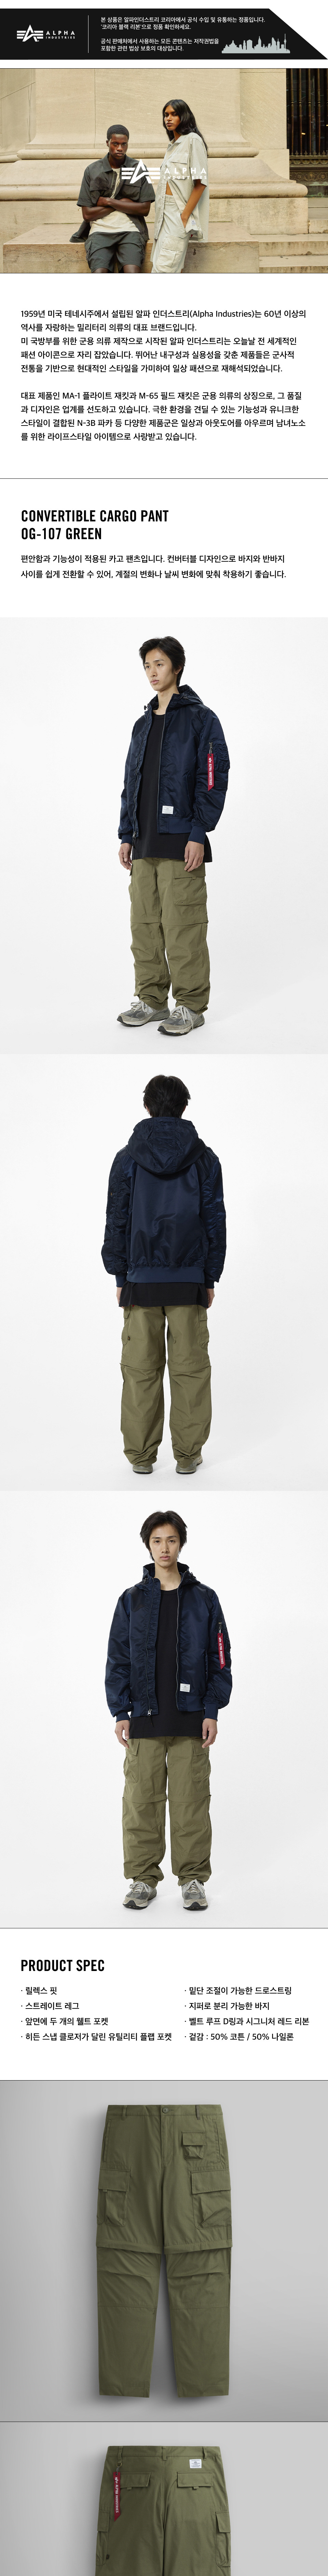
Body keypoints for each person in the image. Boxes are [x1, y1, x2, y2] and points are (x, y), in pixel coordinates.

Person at [106, 1510, 232, 1910]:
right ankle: (143, 1879)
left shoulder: (204, 1598)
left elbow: (220, 1659)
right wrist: (120, 1711)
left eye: (172, 1540)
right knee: (141, 1804)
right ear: (148, 1545)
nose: (165, 1548)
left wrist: (212, 1709)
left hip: (191, 1719)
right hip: (143, 1718)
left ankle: (192, 1879)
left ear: (181, 1544)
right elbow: (118, 1659)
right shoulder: (132, 1600)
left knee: (191, 1803)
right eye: (157, 1540)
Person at [101, 1071, 226, 1474]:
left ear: (147, 1106)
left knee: (141, 1371)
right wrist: (209, 1276)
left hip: (141, 1281)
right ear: (184, 1107)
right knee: (191, 1370)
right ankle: (188, 1456)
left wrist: (121, 1277)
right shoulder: (205, 1159)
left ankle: (141, 1457)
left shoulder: (127, 1158)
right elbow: (214, 1221)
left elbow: (117, 1219)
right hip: (189, 1280)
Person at [118, 635, 230, 1036]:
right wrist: (126, 833)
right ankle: (151, 1000)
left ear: (177, 667)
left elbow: (212, 778)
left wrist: (199, 831)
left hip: (182, 840)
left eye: (160, 664)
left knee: (184, 925)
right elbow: (131, 782)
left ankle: (191, 1006)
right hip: (144, 841)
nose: (152, 672)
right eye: (148, 665)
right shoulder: (142, 724)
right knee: (145, 926)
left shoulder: (202, 719)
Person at [73, 123, 154, 273]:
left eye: (124, 144)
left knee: (133, 274)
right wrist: (122, 204)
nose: (120, 148)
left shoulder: (139, 169)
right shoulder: (92, 170)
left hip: (131, 230)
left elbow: (145, 209)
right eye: (115, 144)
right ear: (108, 143)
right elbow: (87, 215)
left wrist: (109, 202)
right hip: (100, 231)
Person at [151, 98, 209, 274]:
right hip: (163, 215)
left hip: (178, 214)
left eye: (174, 114)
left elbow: (201, 183)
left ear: (184, 117)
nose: (168, 119)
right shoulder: (172, 146)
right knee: (167, 268)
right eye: (166, 115)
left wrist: (184, 217)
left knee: (163, 270)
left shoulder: (194, 141)